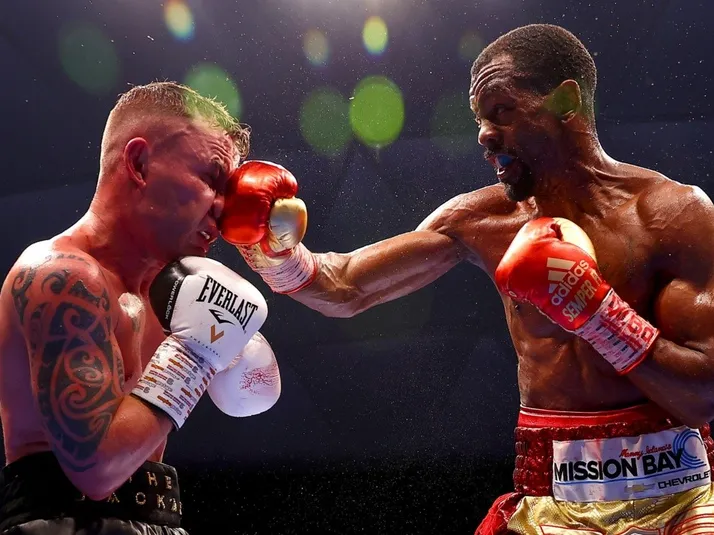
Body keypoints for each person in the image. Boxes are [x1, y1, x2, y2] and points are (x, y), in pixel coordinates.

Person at [219, 25, 714, 534]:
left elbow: (704, 395)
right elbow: (345, 286)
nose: (484, 134)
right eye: (479, 119)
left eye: (502, 111)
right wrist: (271, 246)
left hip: (681, 498)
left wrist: (596, 312)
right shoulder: (481, 220)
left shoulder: (673, 214)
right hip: (553, 501)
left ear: (566, 101)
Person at [0, 82, 283, 535]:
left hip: (161, 522)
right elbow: (96, 471)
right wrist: (197, 353)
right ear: (139, 164)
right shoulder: (61, 277)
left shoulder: (172, 296)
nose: (223, 211)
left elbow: (256, 393)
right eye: (212, 180)